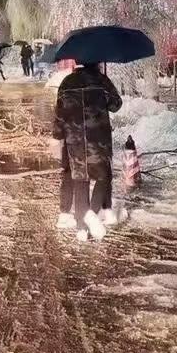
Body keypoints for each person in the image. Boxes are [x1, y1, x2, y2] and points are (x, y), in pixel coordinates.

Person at [50, 58, 122, 242]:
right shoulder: (101, 81)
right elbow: (116, 105)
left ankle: (82, 229)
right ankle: (91, 213)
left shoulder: (67, 83)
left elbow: (59, 113)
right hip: (99, 138)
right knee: (102, 176)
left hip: (74, 140)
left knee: (80, 179)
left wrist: (58, 135)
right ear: (96, 62)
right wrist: (103, 85)